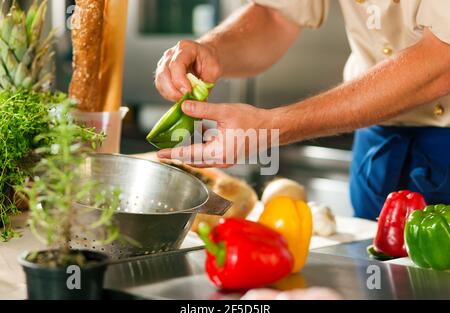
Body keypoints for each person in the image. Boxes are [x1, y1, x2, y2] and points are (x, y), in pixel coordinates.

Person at [154, 0, 450, 220]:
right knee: (376, 279)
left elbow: (442, 61)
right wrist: (213, 50)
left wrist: (273, 126)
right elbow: (278, 14)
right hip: (378, 140)